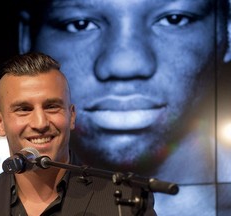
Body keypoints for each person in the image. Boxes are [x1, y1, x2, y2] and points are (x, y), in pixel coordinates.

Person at [17, 0, 231, 215]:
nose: (125, 64)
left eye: (173, 19)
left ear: (228, 33)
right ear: (26, 39)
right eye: (79, 24)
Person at [0, 52, 157, 216]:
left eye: (52, 107)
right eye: (24, 109)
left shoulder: (126, 200)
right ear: (0, 123)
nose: (40, 123)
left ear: (71, 116)